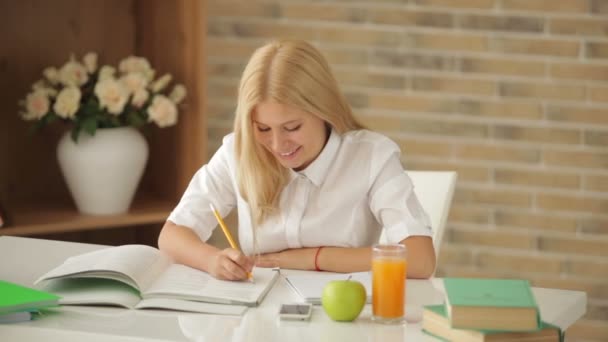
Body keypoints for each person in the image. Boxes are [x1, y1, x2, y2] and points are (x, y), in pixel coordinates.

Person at [158, 39, 435, 281]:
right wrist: (211, 260)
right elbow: (172, 236)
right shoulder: (239, 151)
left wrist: (314, 258)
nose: (278, 145)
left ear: (323, 110)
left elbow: (420, 259)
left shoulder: (371, 155)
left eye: (292, 128)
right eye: (263, 129)